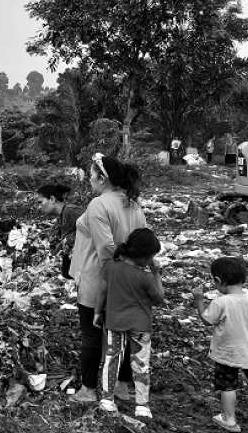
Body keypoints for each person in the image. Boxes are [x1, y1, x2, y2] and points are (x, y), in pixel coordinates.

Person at [69, 152, 147, 403]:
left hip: (98, 279)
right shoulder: (132, 204)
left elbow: (105, 251)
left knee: (91, 335)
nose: (89, 179)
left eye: (91, 174)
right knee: (123, 333)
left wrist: (109, 284)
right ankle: (123, 387)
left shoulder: (99, 204)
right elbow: (142, 242)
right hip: (130, 280)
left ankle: (89, 389)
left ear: (102, 178)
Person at [93, 228, 165, 418]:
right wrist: (157, 273)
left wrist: (97, 312)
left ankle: (107, 400)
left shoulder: (110, 266)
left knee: (112, 359)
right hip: (140, 327)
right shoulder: (146, 277)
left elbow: (102, 292)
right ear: (143, 255)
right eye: (151, 256)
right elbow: (159, 298)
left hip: (114, 322)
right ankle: (142, 405)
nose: (151, 261)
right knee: (141, 364)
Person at [192, 257, 248, 432]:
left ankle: (229, 420)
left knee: (228, 386)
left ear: (218, 281)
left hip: (226, 354)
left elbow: (207, 320)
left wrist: (199, 301)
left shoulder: (221, 302)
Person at [36, 183, 84, 279]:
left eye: (40, 202)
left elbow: (94, 227)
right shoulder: (62, 216)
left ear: (52, 199)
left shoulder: (71, 211)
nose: (39, 206)